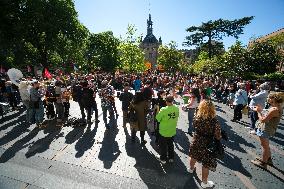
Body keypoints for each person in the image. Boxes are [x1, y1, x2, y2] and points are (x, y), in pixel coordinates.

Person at [188, 100, 222, 188]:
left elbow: (194, 126)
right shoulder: (214, 121)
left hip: (197, 139)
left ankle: (191, 169)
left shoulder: (197, 117)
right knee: (206, 163)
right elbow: (218, 136)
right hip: (208, 143)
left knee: (193, 155)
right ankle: (204, 182)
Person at [251, 92, 283, 167]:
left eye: (270, 99)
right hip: (266, 128)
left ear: (275, 99)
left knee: (265, 146)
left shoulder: (275, 109)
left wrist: (258, 111)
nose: (268, 100)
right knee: (265, 145)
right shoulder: (276, 107)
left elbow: (263, 120)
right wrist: (261, 110)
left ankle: (263, 163)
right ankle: (268, 159)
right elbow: (267, 114)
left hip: (266, 129)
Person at [156, 95, 179, 164]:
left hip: (164, 130)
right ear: (172, 101)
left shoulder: (163, 109)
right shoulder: (176, 108)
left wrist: (157, 111)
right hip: (172, 130)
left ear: (166, 101)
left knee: (163, 145)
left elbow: (157, 119)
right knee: (170, 144)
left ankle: (163, 159)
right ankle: (171, 157)